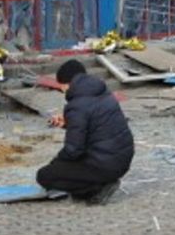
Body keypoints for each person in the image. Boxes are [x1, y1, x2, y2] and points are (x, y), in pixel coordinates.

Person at [35, 60, 135, 204]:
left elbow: (73, 150)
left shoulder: (77, 105)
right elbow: (94, 127)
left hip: (104, 164)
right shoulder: (103, 92)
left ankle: (97, 188)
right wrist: (68, 124)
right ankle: (98, 183)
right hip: (122, 159)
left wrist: (56, 163)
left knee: (45, 176)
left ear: (66, 84)